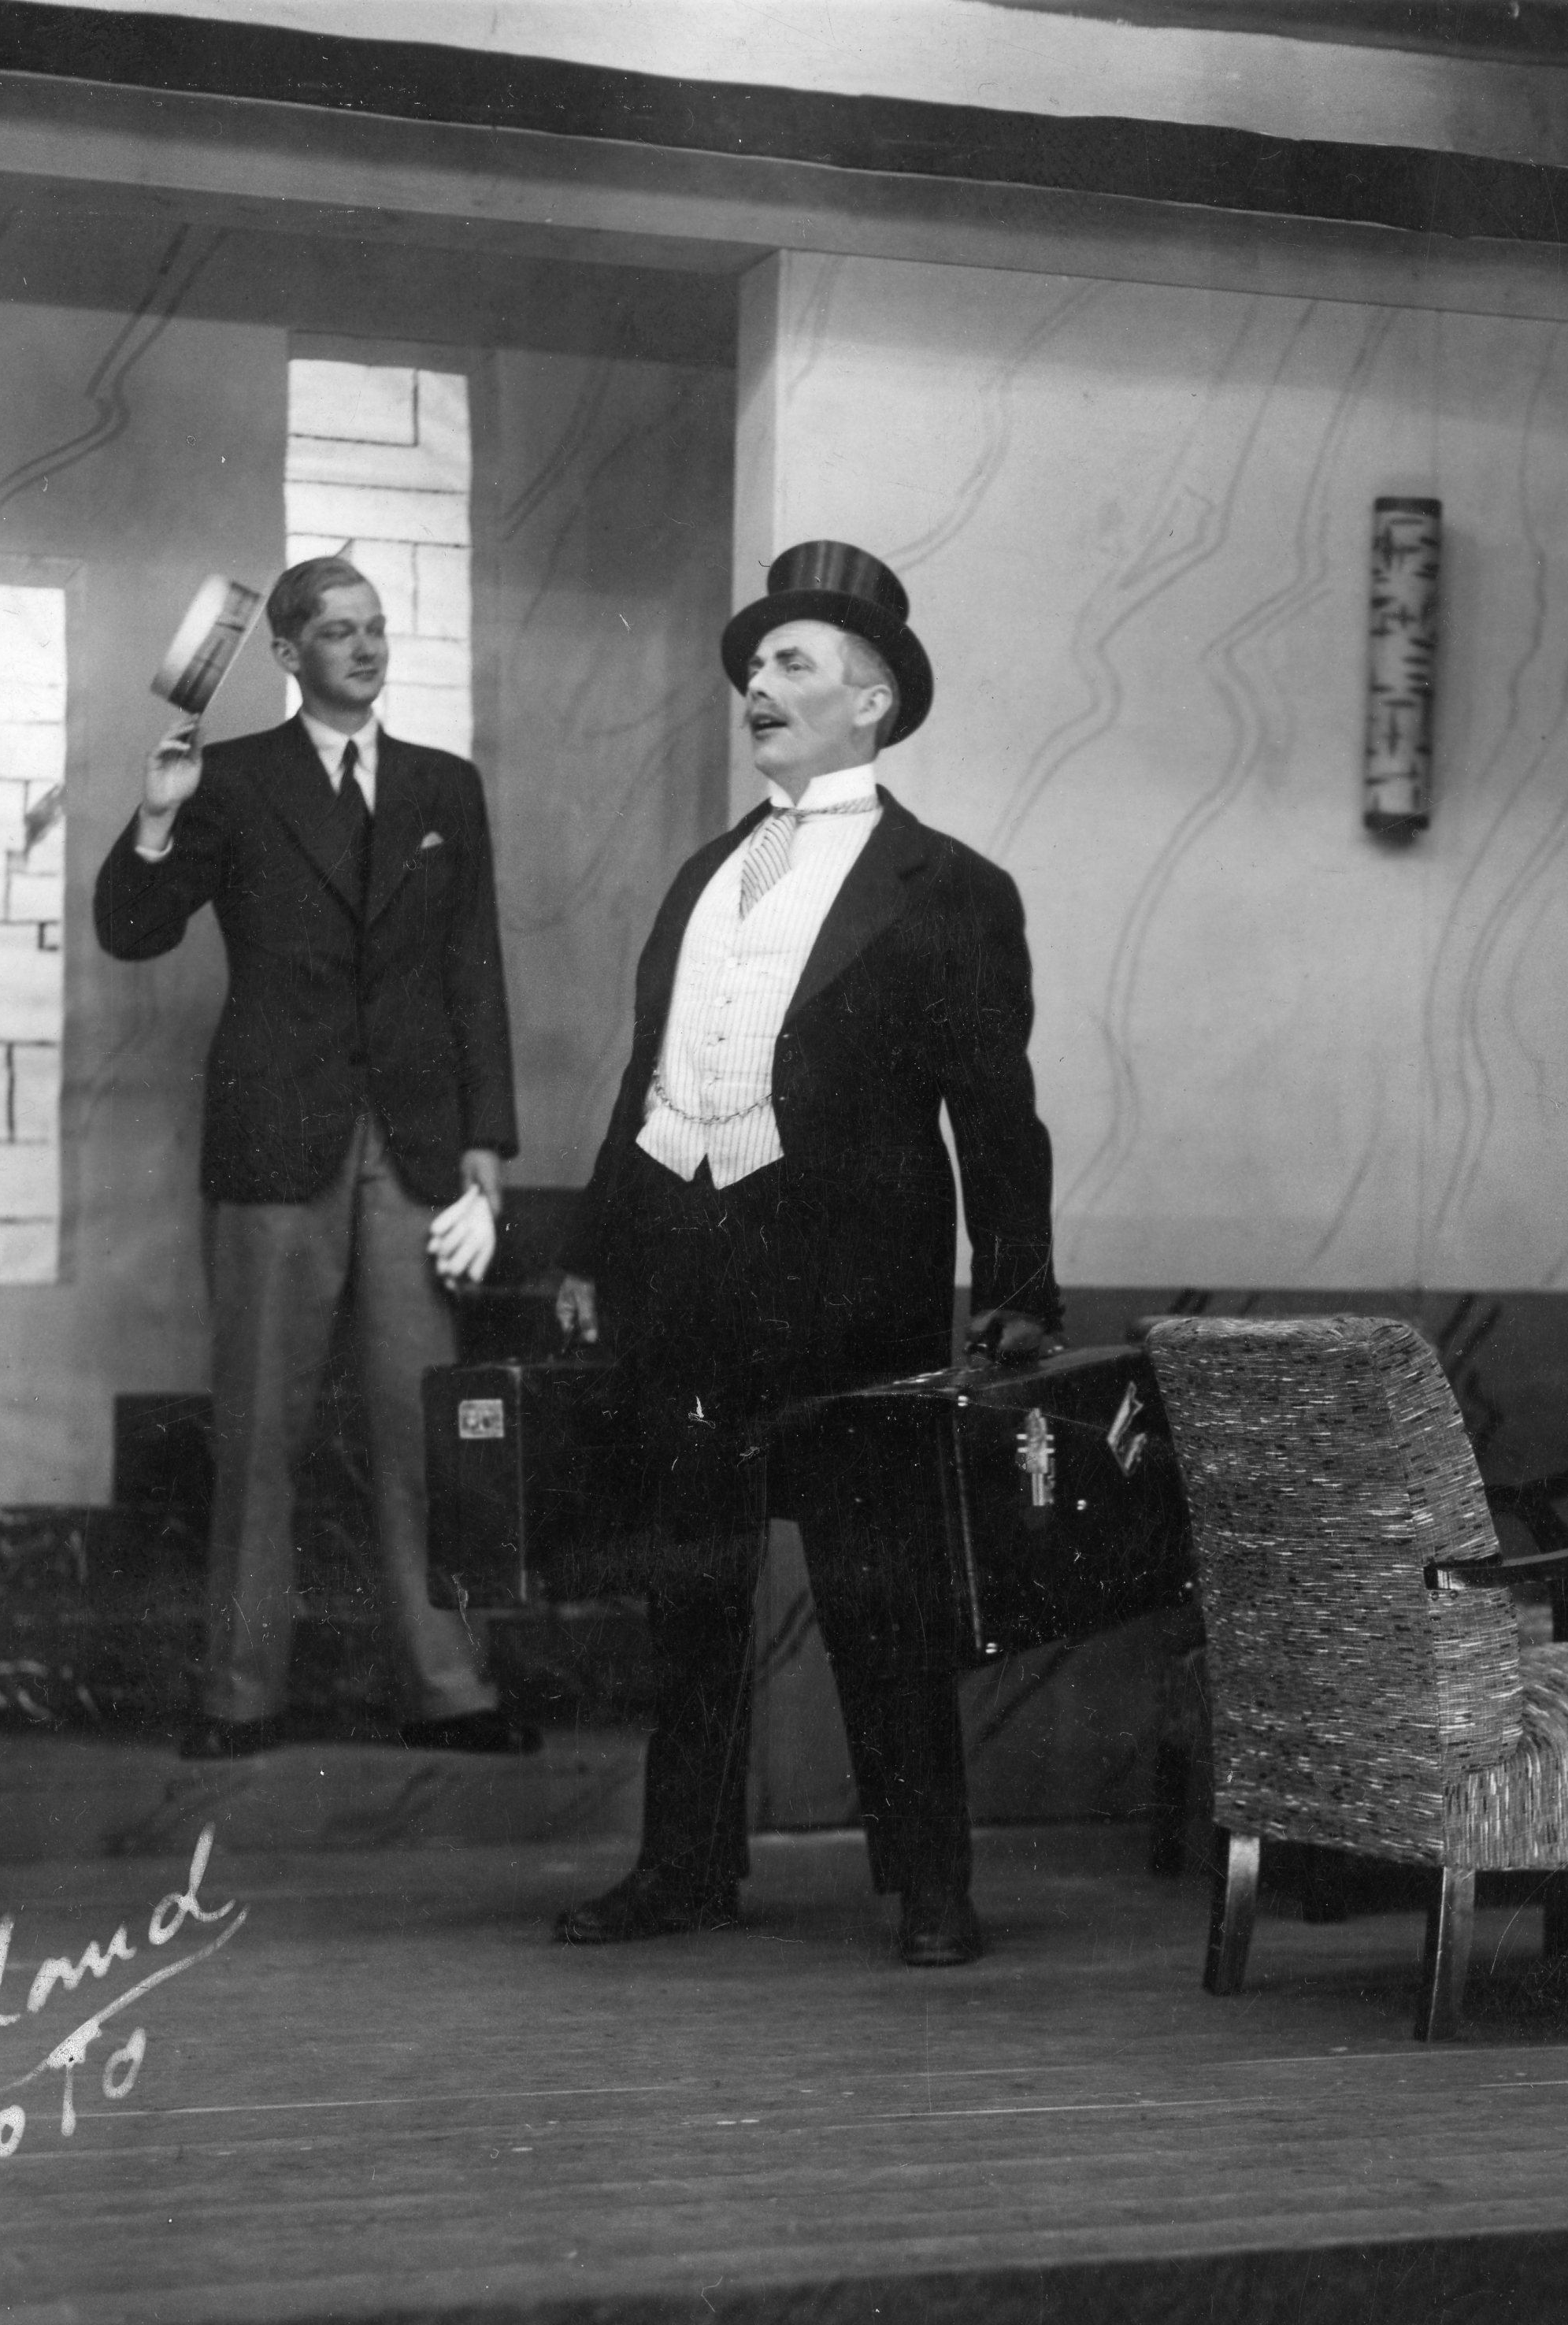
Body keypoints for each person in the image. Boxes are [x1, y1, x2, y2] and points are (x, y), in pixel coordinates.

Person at [550, 540, 1058, 1969]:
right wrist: (593, 1249)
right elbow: (650, 1078)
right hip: (680, 1279)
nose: (757, 687)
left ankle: (930, 1886)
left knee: (880, 1594)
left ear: (871, 701)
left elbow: (995, 1109)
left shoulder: (948, 886)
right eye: (753, 667)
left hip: (850, 1295)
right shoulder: (704, 875)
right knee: (691, 1593)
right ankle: (682, 1869)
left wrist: (1017, 1291)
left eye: (791, 663)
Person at [92, 556, 532, 1762]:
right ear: (286, 654)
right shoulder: (230, 779)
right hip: (274, 1137)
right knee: (258, 1431)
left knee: (419, 1425)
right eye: (339, 631)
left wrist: (486, 1145)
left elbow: (475, 970)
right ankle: (238, 1693)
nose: (366, 647)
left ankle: (448, 1688)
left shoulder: (445, 785)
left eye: (376, 627)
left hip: (417, 1149)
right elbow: (131, 930)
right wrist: (157, 815)